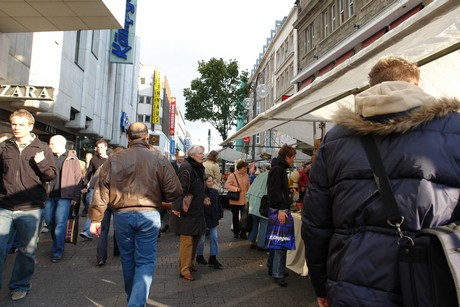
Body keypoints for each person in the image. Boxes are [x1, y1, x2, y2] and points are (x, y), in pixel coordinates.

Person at [301, 55, 460, 307]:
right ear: (415, 86)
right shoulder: (453, 129)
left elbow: (316, 223)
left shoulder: (335, 139)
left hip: (349, 283)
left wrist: (321, 285)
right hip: (432, 283)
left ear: (371, 87)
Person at [89, 122, 182, 306]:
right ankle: (136, 302)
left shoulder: (114, 159)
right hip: (149, 214)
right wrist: (157, 192)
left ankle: (134, 300)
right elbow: (174, 190)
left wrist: (95, 219)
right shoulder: (158, 158)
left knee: (128, 260)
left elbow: (101, 190)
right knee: (145, 262)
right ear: (147, 137)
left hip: (122, 215)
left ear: (128, 138)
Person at [0, 109, 57, 301]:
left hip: (31, 208)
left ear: (30, 126)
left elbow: (51, 175)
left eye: (21, 124)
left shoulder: (42, 148)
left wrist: (41, 164)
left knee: (27, 251)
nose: (16, 128)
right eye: (14, 124)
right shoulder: (5, 147)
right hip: (4, 206)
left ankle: (20, 285)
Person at [169, 145, 208, 282]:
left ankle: (190, 263)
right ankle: (184, 269)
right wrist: (176, 207)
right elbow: (180, 189)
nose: (202, 155)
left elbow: (197, 187)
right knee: (187, 241)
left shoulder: (198, 167)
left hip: (197, 209)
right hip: (188, 210)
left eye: (203, 153)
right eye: (200, 153)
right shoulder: (188, 167)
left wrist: (203, 197)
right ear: (192, 155)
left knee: (196, 237)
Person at [44, 135, 82, 263]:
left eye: (52, 143)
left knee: (60, 224)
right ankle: (57, 242)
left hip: (64, 196)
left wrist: (75, 197)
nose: (50, 146)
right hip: (49, 195)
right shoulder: (48, 157)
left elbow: (78, 179)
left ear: (61, 143)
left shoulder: (72, 158)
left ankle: (57, 251)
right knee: (50, 222)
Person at [266, 144, 296, 287]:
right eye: (292, 157)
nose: (293, 160)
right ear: (287, 156)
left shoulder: (277, 168)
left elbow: (276, 190)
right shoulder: (279, 170)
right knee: (280, 242)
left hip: (276, 208)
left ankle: (273, 268)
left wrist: (288, 192)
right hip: (279, 209)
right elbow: (275, 191)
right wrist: (281, 209)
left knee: (276, 240)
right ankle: (277, 272)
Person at [80, 139, 108, 238]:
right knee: (92, 208)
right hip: (94, 187)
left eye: (101, 147)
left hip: (106, 188)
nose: (99, 149)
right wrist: (85, 186)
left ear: (105, 147)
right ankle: (87, 231)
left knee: (103, 210)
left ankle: (100, 229)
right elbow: (89, 173)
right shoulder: (94, 159)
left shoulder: (110, 159)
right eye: (98, 147)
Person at [195, 174, 223, 269]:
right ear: (204, 182)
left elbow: (219, 204)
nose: (211, 183)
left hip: (213, 218)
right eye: (209, 181)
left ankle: (213, 257)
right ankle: (199, 255)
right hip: (203, 219)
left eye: (212, 181)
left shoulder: (215, 192)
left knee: (214, 237)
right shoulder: (200, 193)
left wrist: (219, 213)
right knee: (202, 239)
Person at [224, 160, 250, 239]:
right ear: (240, 168)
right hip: (235, 200)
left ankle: (243, 232)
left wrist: (249, 196)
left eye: (246, 168)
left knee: (244, 217)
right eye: (244, 168)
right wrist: (236, 189)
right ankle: (236, 232)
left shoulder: (246, 175)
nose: (246, 169)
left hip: (244, 200)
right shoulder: (232, 175)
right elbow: (227, 186)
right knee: (235, 217)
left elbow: (248, 186)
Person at [247, 169, 269, 251]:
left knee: (254, 223)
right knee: (264, 224)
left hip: (253, 202)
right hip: (263, 204)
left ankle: (252, 242)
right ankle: (261, 244)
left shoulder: (260, 175)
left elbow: (251, 188)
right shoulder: (272, 176)